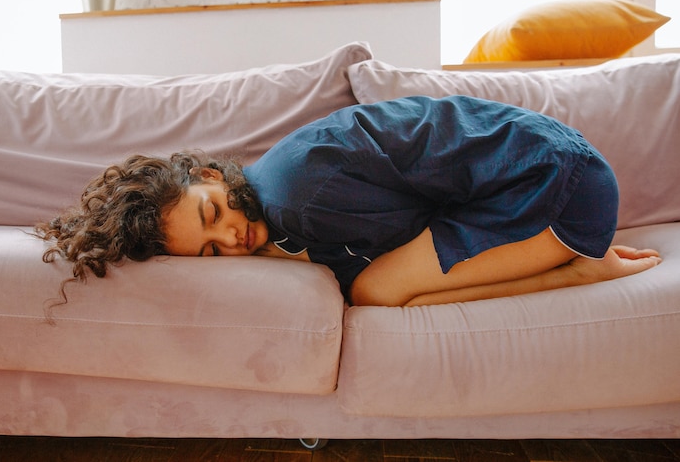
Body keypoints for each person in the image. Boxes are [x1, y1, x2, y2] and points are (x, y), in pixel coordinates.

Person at [36, 95, 661, 306]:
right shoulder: (277, 181)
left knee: (375, 294)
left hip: (556, 189)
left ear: (211, 175)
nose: (230, 238)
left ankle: (577, 268)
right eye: (208, 250)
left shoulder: (300, 201)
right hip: (555, 164)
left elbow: (394, 256)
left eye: (212, 213)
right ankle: (558, 257)